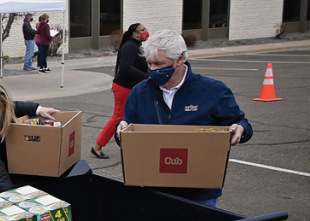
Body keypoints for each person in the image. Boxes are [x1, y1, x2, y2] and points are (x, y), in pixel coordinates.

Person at [116, 30, 252, 207]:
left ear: (179, 59)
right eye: (149, 64)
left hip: (200, 193)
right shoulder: (139, 93)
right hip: (154, 190)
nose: (153, 70)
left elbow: (243, 124)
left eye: (159, 64)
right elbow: (126, 130)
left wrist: (240, 129)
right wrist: (121, 132)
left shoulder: (212, 91)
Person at [90, 23, 148, 159]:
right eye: (143, 30)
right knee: (118, 117)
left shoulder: (136, 46)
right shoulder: (130, 46)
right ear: (135, 33)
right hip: (124, 87)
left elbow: (139, 64)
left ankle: (135, 144)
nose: (146, 32)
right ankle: (97, 147)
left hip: (132, 87)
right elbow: (126, 67)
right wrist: (147, 77)